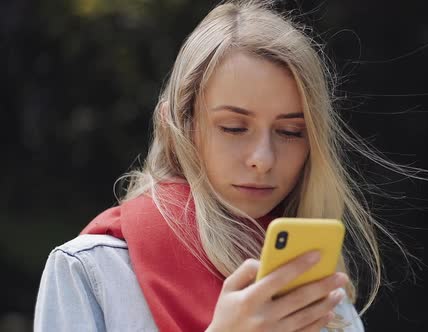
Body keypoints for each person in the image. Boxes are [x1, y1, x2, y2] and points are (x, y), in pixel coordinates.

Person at [34, 0, 404, 331]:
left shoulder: (319, 295)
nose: (262, 158)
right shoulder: (90, 271)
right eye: (234, 127)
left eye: (291, 131)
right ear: (177, 123)